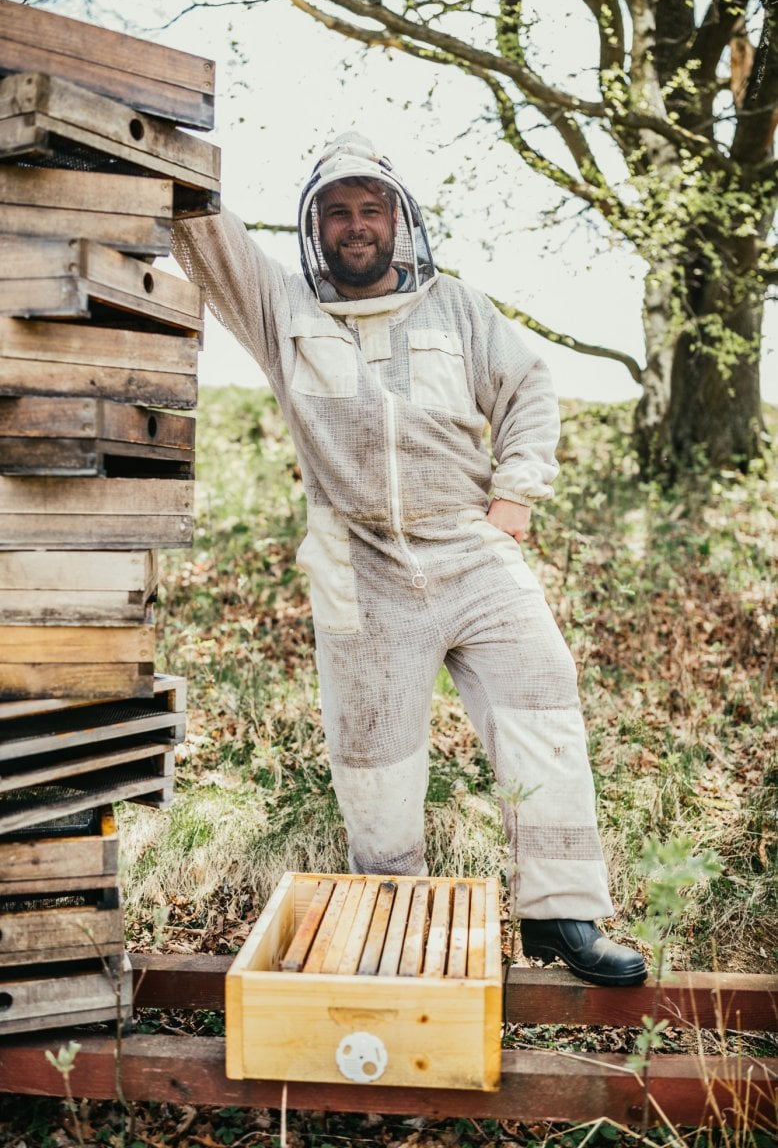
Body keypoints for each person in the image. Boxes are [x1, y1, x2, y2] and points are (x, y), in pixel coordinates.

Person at [172, 132, 647, 987]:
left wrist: (516, 497)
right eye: (338, 213)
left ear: (399, 218)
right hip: (360, 569)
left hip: (473, 549)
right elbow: (211, 240)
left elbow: (531, 389)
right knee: (375, 756)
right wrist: (155, 152)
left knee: (543, 710)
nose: (357, 226)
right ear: (315, 228)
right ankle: (396, 918)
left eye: (371, 209)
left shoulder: (457, 307)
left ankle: (564, 915)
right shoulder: (284, 311)